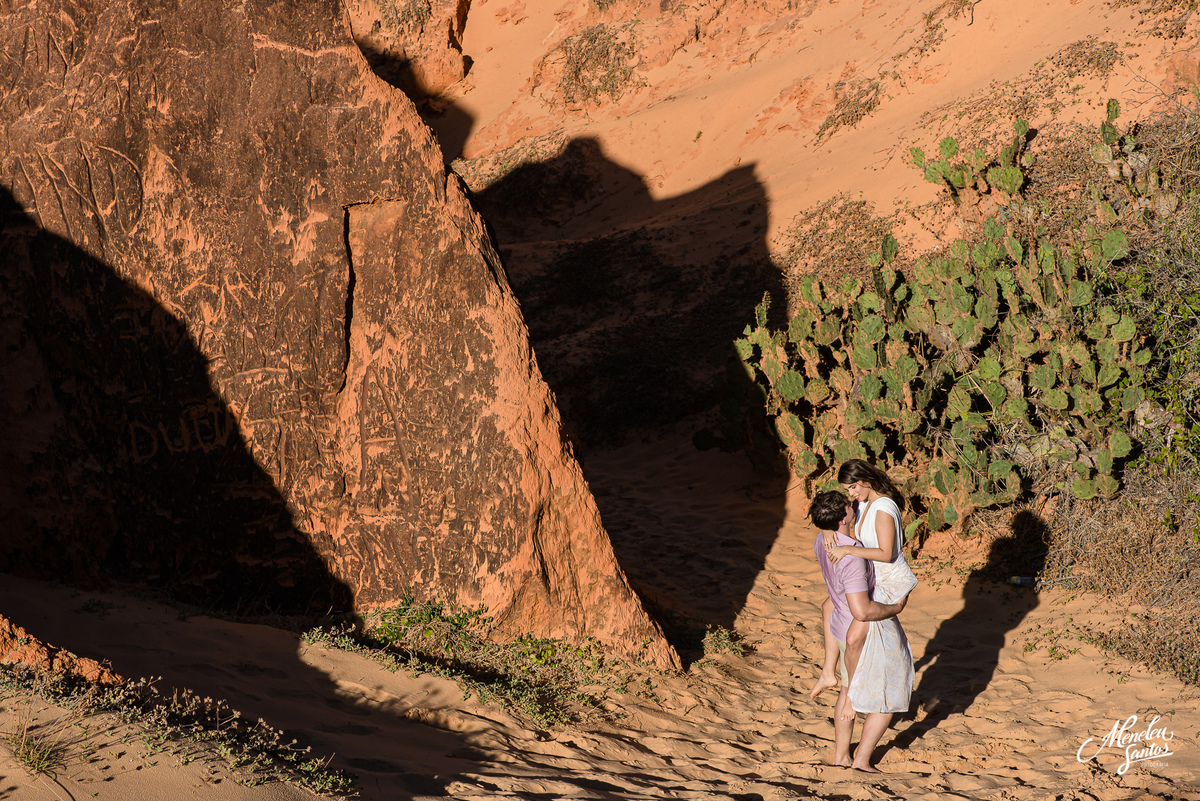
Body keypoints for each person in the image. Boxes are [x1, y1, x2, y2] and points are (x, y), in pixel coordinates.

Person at [809, 490, 911, 772]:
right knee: (887, 699)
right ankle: (862, 760)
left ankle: (841, 756)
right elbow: (862, 611)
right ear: (842, 519)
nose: (853, 504)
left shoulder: (823, 539)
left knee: (846, 690)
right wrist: (895, 608)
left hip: (839, 627)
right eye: (848, 505)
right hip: (860, 631)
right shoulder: (851, 559)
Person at [810, 460, 917, 704]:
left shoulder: (883, 509)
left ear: (865, 480)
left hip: (888, 577)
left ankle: (851, 695)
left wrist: (849, 549)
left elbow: (886, 553)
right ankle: (828, 672)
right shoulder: (864, 502)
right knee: (828, 606)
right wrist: (827, 529)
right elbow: (839, 517)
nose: (851, 494)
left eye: (852, 488)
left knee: (854, 637)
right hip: (872, 572)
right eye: (848, 490)